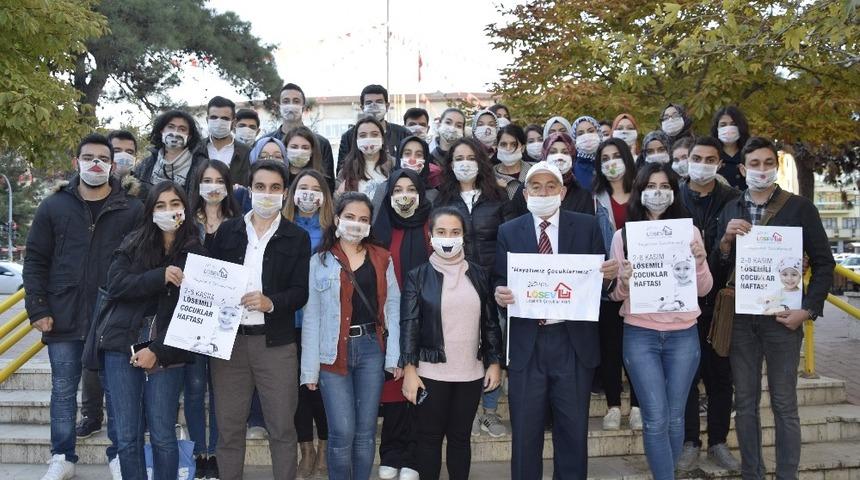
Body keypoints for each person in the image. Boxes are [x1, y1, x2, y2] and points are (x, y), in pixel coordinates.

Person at [713, 137, 834, 479]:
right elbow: (715, 267)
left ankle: (787, 475)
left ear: (776, 166)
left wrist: (807, 311)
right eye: (755, 164)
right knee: (746, 405)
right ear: (742, 168)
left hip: (784, 320)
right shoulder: (731, 208)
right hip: (740, 319)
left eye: (768, 163)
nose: (761, 170)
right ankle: (752, 473)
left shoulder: (800, 208)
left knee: (784, 404)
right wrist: (724, 242)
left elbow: (825, 264)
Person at [24, 133, 143, 480]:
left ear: (112, 165)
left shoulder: (132, 209)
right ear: (76, 163)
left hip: (113, 317)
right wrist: (37, 307)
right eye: (88, 157)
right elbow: (35, 260)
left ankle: (121, 455)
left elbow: (141, 263)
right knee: (63, 390)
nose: (95, 164)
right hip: (62, 314)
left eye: (103, 158)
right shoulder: (53, 206)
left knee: (118, 391)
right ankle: (62, 455)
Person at [493, 161, 618, 479]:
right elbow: (498, 280)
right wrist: (500, 294)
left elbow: (599, 285)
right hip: (527, 344)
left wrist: (608, 277)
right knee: (524, 434)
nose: (544, 192)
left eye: (551, 186)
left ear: (562, 192)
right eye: (536, 186)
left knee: (573, 433)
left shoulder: (587, 226)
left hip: (572, 343)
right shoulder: (509, 230)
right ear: (525, 192)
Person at [208, 160, 312, 480]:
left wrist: (271, 302)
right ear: (249, 190)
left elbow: (300, 293)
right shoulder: (227, 231)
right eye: (261, 187)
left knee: (281, 427)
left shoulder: (296, 237)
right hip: (231, 344)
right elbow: (213, 281)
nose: (267, 194)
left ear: (284, 193)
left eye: (275, 188)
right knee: (229, 429)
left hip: (276, 345)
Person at [609, 161, 713, 480]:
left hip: (683, 335)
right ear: (640, 192)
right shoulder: (623, 236)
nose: (658, 193)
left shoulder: (690, 232)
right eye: (651, 187)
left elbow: (705, 288)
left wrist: (699, 260)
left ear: (673, 192)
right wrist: (624, 280)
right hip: (640, 335)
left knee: (676, 417)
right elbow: (613, 295)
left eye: (664, 186)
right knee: (655, 417)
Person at [99, 181, 202, 480]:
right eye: (160, 205)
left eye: (174, 204)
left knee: (162, 435)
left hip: (168, 347)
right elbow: (115, 284)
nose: (168, 211)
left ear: (185, 209)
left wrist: (157, 350)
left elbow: (195, 315)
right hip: (122, 344)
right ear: (150, 211)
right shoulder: (133, 242)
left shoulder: (197, 251)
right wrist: (160, 276)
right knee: (127, 436)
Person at [301, 192, 402, 480]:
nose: (356, 224)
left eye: (363, 219)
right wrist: (309, 370)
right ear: (336, 220)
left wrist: (394, 355)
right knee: (342, 431)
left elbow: (392, 307)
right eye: (350, 217)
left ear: (371, 225)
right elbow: (312, 316)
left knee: (366, 432)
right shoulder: (319, 261)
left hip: (371, 348)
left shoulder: (382, 258)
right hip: (332, 351)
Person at [400, 206, 504, 480]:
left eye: (455, 232)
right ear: (431, 237)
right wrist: (409, 370)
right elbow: (409, 325)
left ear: (463, 236)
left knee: (460, 438)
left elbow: (491, 323)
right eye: (442, 232)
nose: (449, 238)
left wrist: (495, 362)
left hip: (471, 372)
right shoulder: (417, 276)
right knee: (429, 438)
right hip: (430, 372)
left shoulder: (480, 274)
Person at [674, 136, 742, 472]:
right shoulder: (674, 197)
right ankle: (689, 442)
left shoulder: (734, 199)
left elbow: (738, 252)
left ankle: (718, 441)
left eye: (710, 159)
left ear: (719, 163)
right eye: (696, 157)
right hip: (681, 302)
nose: (702, 163)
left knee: (720, 377)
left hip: (721, 305)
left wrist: (724, 245)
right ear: (687, 160)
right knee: (687, 376)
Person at [372, 169, 433, 480]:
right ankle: (391, 451)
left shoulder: (431, 225)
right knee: (394, 388)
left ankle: (413, 455)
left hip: (428, 321)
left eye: (411, 188)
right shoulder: (379, 227)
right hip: (390, 320)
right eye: (398, 189)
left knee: (420, 387)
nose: (404, 194)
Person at [186, 159, 243, 478]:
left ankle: (219, 452)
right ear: (198, 184)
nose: (213, 186)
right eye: (206, 180)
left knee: (222, 389)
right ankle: (199, 452)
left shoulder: (239, 222)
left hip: (226, 318)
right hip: (192, 317)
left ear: (228, 185)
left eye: (219, 180)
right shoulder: (185, 221)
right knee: (194, 387)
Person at [283, 169, 334, 478]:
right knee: (299, 389)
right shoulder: (282, 227)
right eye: (303, 187)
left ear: (325, 196)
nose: (309, 194)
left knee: (322, 388)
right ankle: (306, 448)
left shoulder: (333, 230)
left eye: (316, 188)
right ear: (292, 192)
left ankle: (325, 446)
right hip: (288, 321)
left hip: (324, 323)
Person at [592, 138, 641, 431]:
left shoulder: (643, 193)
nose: (611, 162)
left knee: (635, 347)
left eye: (616, 156)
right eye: (605, 157)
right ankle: (612, 405)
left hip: (643, 283)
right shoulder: (594, 198)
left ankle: (636, 406)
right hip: (608, 284)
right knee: (610, 347)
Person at [507, 132, 594, 219]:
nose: (559, 156)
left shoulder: (582, 194)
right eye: (553, 152)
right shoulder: (527, 188)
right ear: (545, 155)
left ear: (572, 156)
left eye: (565, 152)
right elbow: (514, 223)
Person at [266, 83, 336, 181]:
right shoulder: (267, 142)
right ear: (279, 106)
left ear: (303, 107)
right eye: (286, 101)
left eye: (296, 101)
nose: (291, 106)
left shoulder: (321, 143)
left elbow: (329, 183)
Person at [133, 109, 208, 199]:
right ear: (161, 131)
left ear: (189, 137)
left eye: (182, 129)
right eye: (171, 127)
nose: (175, 132)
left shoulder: (200, 166)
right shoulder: (146, 164)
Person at [337, 84, 410, 171]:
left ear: (387, 107)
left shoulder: (403, 134)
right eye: (369, 103)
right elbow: (342, 171)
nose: (374, 106)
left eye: (379, 102)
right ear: (362, 108)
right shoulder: (349, 136)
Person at [337, 116, 394, 203]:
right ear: (356, 140)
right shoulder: (347, 169)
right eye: (363, 136)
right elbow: (336, 204)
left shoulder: (395, 165)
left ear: (382, 139)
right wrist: (339, 194)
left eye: (374, 134)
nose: (368, 139)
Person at [201, 96, 251, 186]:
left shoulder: (246, 152)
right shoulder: (196, 149)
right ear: (207, 120)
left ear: (234, 122)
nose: (219, 122)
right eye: (214, 117)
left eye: (225, 118)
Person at [284, 125, 335, 192]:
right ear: (285, 148)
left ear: (312, 151)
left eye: (305, 148)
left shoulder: (321, 179)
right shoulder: (279, 176)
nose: (299, 151)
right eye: (294, 147)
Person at [711, 106, 751, 189]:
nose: (728, 129)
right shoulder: (710, 156)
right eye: (723, 125)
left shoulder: (750, 154)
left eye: (733, 124)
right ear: (717, 128)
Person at [494, 124, 535, 199]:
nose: (508, 148)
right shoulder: (489, 176)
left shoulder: (535, 170)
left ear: (522, 148)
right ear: (497, 147)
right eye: (503, 144)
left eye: (514, 144)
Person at [571, 115, 603, 188]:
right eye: (580, 133)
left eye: (591, 131)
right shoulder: (572, 169)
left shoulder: (608, 160)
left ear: (599, 133)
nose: (586, 136)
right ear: (575, 139)